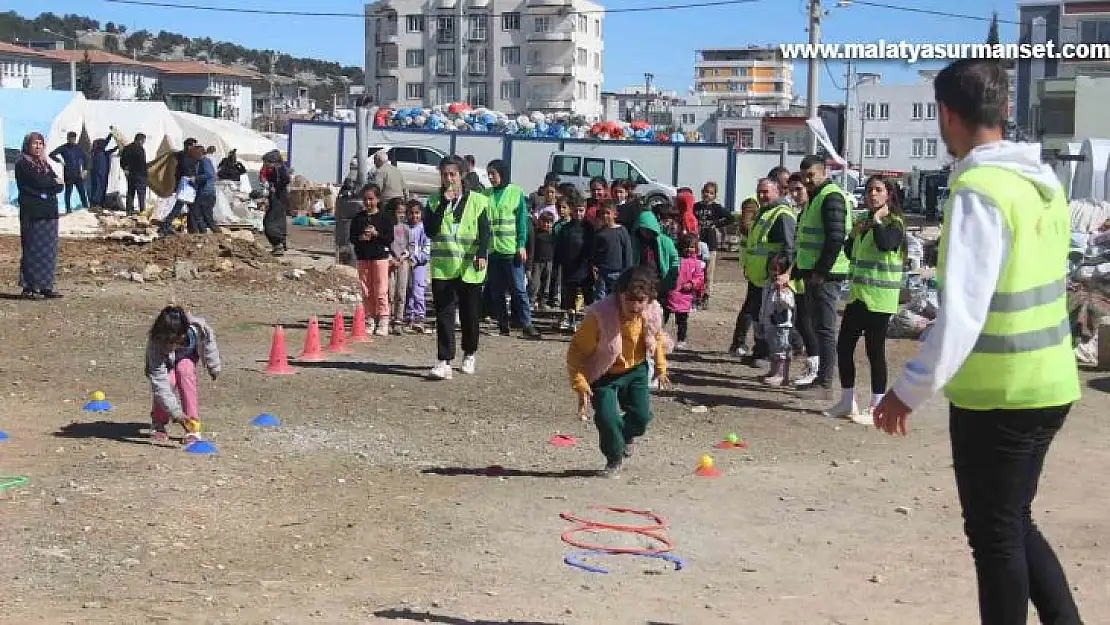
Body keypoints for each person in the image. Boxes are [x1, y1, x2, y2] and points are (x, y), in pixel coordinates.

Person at [873, 58, 1083, 625]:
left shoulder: (978, 189)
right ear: (1002, 109)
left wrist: (907, 391)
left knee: (994, 535)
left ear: (946, 114)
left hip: (1001, 393)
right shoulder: (1040, 184)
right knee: (1012, 521)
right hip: (1050, 381)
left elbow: (963, 313)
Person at [566, 266, 671, 478]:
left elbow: (656, 337)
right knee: (607, 419)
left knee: (641, 417)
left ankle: (625, 437)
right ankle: (614, 458)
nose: (634, 306)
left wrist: (661, 366)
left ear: (649, 299)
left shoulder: (651, 312)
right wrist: (580, 383)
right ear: (619, 295)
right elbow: (577, 350)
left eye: (640, 300)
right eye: (629, 299)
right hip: (604, 374)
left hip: (636, 369)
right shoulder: (600, 316)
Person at [826, 176, 905, 423]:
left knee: (874, 351)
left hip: (880, 299)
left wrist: (878, 221)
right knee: (844, 346)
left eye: (878, 190)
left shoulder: (895, 223)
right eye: (870, 190)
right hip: (858, 296)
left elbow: (885, 244)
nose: (872, 194)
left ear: (888, 194)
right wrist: (853, 236)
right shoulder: (862, 220)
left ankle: (877, 406)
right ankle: (847, 401)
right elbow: (850, 252)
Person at [426, 156, 491, 380]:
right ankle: (444, 360)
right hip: (443, 268)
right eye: (444, 174)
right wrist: (444, 203)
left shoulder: (479, 201)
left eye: (452, 174)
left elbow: (484, 231)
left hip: (470, 267)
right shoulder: (434, 201)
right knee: (444, 314)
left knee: (470, 315)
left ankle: (470, 353)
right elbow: (431, 230)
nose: (448, 179)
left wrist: (482, 252)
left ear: (461, 175)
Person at [792, 154, 852, 390]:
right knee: (818, 326)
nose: (807, 180)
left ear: (824, 172)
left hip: (826, 275)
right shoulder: (816, 198)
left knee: (826, 329)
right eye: (805, 176)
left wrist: (820, 272)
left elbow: (835, 238)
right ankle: (820, 379)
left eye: (811, 175)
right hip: (813, 273)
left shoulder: (831, 197)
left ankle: (825, 383)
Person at [730, 180, 795, 361]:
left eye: (766, 192)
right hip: (757, 276)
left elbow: (790, 248)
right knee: (759, 318)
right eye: (759, 192)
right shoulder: (763, 212)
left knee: (771, 319)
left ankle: (771, 354)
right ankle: (760, 351)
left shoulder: (782, 215)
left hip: (771, 277)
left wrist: (785, 273)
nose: (762, 196)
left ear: (777, 191)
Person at [145, 305, 221, 445]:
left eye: (175, 342)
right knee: (168, 381)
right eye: (167, 342)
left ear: (184, 333)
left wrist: (214, 366)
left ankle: (192, 425)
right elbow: (160, 383)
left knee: (184, 371)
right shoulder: (156, 343)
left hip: (187, 358)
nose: (171, 346)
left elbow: (209, 345)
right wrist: (177, 414)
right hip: (165, 364)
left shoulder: (199, 329)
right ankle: (158, 423)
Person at [484, 159, 541, 339]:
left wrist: (521, 245)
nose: (491, 177)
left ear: (503, 173)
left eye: (493, 173)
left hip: (511, 251)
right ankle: (502, 324)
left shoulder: (515, 193)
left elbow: (521, 223)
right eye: (489, 174)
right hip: (493, 251)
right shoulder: (486, 194)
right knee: (496, 290)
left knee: (518, 289)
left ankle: (526, 324)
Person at [15, 132, 64, 300]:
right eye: (34, 143)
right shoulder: (23, 163)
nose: (38, 146)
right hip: (32, 212)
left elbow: (60, 186)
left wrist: (50, 185)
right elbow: (37, 182)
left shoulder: (45, 164)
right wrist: (51, 184)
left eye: (40, 143)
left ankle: (45, 286)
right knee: (31, 249)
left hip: (50, 212)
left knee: (49, 251)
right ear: (27, 145)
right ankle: (29, 287)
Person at [350, 184, 395, 336]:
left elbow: (389, 238)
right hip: (363, 257)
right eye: (365, 199)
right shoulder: (358, 218)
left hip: (380, 258)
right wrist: (360, 238)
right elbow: (352, 238)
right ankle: (370, 318)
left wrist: (376, 234)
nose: (368, 202)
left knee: (381, 289)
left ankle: (383, 319)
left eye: (371, 199)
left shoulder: (385, 218)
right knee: (366, 290)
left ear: (378, 199)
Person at [555, 198, 594, 331]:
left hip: (584, 268)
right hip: (569, 267)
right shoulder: (565, 228)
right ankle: (572, 322)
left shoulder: (589, 228)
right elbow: (559, 248)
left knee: (588, 296)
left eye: (581, 211)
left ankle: (589, 322)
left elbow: (593, 248)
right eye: (576, 210)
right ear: (571, 210)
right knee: (569, 296)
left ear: (585, 210)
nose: (578, 213)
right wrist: (557, 264)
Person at [759, 252, 797, 386]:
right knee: (774, 349)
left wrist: (781, 291)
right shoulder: (768, 284)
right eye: (771, 269)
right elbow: (764, 302)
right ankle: (773, 371)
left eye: (777, 270)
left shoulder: (786, 287)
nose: (774, 273)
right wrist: (762, 319)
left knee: (781, 349)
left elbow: (789, 304)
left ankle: (781, 375)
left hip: (781, 325)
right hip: (770, 322)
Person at [692, 181, 732, 307]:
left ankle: (706, 296)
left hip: (711, 243)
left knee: (708, 271)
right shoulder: (696, 207)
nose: (707, 195)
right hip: (697, 242)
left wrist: (716, 225)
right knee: (697, 269)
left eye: (710, 193)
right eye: (705, 192)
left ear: (714, 195)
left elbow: (730, 218)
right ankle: (696, 295)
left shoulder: (716, 208)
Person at [664, 233, 704, 350]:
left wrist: (691, 284)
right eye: (686, 246)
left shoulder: (697, 263)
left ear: (696, 248)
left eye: (691, 247)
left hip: (684, 296)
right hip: (671, 293)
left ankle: (681, 339)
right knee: (664, 316)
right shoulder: (676, 259)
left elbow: (699, 277)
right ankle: (659, 334)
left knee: (682, 320)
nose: (689, 249)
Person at [591, 200, 634, 300]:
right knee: (600, 299)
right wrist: (594, 266)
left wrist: (628, 272)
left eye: (607, 213)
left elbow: (627, 252)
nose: (605, 216)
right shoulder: (599, 233)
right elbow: (594, 252)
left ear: (615, 215)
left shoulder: (621, 230)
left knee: (616, 299)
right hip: (602, 272)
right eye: (602, 213)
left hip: (617, 272)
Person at [404, 199, 431, 334]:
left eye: (417, 213)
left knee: (418, 290)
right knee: (407, 290)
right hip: (405, 264)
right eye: (411, 213)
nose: (414, 216)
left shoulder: (424, 229)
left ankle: (420, 317)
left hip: (419, 265)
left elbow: (427, 248)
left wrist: (417, 258)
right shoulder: (405, 228)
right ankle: (409, 316)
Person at [387, 197, 412, 335]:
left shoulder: (406, 229)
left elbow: (410, 246)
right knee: (389, 291)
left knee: (401, 291)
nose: (401, 215)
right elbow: (386, 244)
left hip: (403, 263)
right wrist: (391, 258)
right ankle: (388, 318)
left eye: (403, 212)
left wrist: (403, 257)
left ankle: (398, 320)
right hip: (390, 263)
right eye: (398, 212)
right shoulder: (388, 227)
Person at [49, 131, 88, 212]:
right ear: (67, 138)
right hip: (68, 174)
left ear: (75, 139)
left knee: (82, 191)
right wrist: (59, 160)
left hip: (77, 174)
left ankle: (86, 207)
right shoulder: (64, 148)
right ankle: (68, 209)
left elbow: (85, 158)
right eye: (70, 138)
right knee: (68, 192)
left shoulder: (78, 148)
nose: (72, 140)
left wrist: (85, 170)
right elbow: (52, 154)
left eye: (73, 138)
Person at [261, 150, 291, 255]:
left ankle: (278, 245)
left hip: (279, 199)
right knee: (277, 222)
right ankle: (280, 243)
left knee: (270, 223)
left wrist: (275, 186)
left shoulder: (280, 170)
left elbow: (286, 180)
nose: (265, 164)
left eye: (267, 162)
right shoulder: (275, 169)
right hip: (277, 199)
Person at [529, 211, 557, 310]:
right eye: (544, 222)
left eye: (549, 222)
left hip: (549, 262)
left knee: (546, 284)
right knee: (535, 283)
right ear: (539, 221)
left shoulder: (553, 235)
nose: (546, 224)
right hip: (536, 262)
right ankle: (531, 301)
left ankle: (543, 302)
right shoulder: (535, 234)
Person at [190, 143, 220, 234]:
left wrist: (196, 178)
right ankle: (204, 234)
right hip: (206, 191)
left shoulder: (204, 161)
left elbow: (209, 174)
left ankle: (215, 233)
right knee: (201, 215)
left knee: (203, 215)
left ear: (199, 152)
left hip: (206, 192)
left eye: (194, 152)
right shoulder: (202, 161)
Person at [119, 133, 148, 215]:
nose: (143, 142)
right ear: (140, 140)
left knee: (130, 192)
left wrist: (125, 169)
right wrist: (145, 175)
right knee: (141, 193)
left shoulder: (127, 148)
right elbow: (142, 163)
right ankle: (142, 210)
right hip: (139, 174)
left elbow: (122, 161)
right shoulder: (140, 149)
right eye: (143, 141)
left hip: (130, 173)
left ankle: (129, 210)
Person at [88, 133, 117, 208]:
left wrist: (116, 148)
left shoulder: (101, 152)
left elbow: (109, 151)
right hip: (98, 174)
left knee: (101, 187)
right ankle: (95, 203)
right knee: (97, 188)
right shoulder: (97, 152)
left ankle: (100, 203)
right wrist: (110, 135)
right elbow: (105, 143)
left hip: (102, 174)